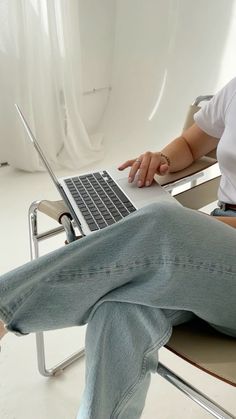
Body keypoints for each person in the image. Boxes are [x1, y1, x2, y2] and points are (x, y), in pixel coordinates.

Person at [1, 77, 236, 419]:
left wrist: (190, 232)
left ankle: (5, 309)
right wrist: (162, 159)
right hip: (217, 255)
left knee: (162, 225)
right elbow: (189, 143)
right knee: (120, 304)